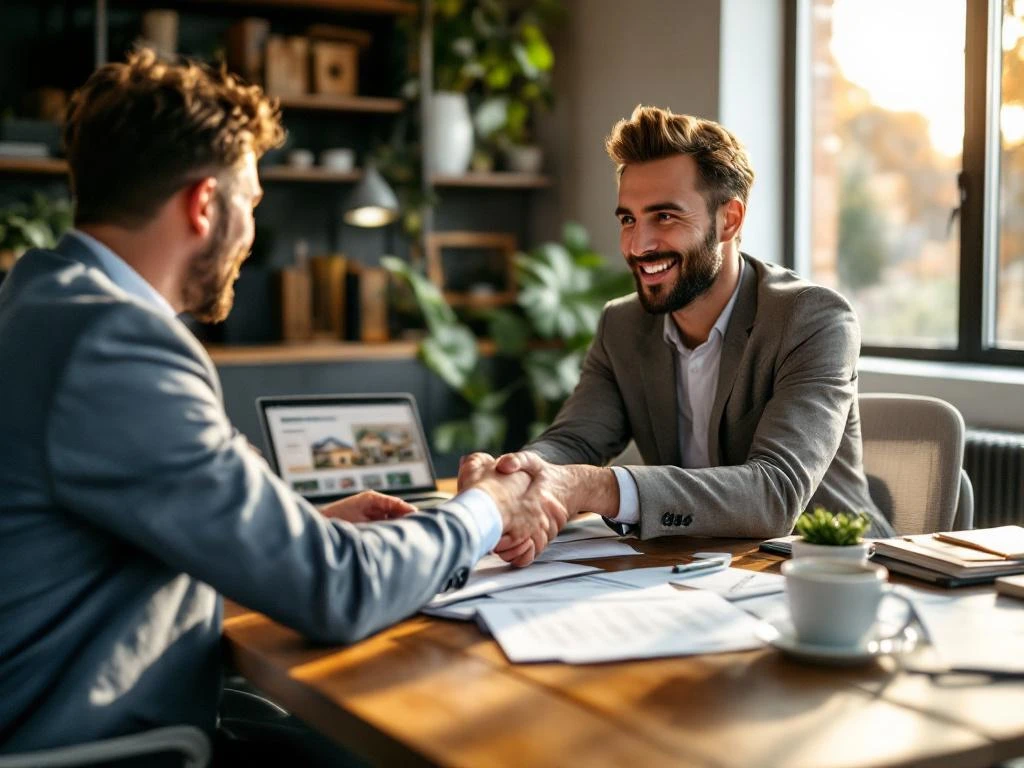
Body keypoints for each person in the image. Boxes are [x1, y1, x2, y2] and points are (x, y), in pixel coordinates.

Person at [0, 50, 565, 754]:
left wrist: (299, 527)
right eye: (253, 204)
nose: (251, 234)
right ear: (205, 205)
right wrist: (483, 510)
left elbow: (106, 533)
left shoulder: (40, 301)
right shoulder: (115, 345)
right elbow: (338, 590)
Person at [462, 105, 893, 550]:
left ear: (729, 220)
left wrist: (592, 487)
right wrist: (516, 477)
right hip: (690, 571)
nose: (638, 244)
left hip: (833, 572)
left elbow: (776, 494)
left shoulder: (812, 320)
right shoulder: (622, 324)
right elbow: (575, 439)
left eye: (664, 216)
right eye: (628, 218)